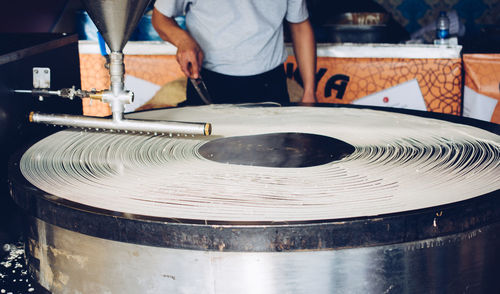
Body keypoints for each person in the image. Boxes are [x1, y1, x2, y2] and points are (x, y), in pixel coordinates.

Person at [152, 0, 317, 105]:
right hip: (208, 82)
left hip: (269, 84)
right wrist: (183, 41)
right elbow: (160, 18)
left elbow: (300, 26)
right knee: (204, 156)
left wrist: (309, 91)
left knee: (273, 155)